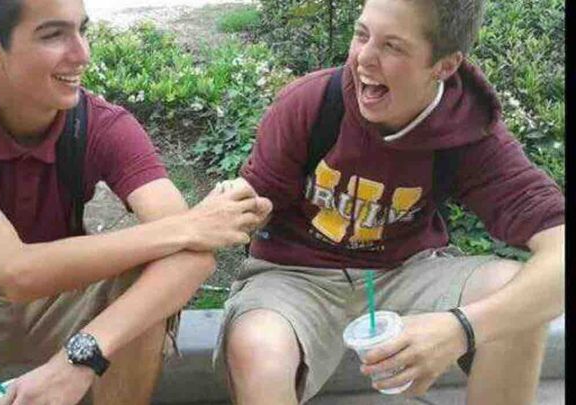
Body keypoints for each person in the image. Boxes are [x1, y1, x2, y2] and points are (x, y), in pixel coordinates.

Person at [0, 0, 272, 404]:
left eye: (82, 30)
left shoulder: (104, 125)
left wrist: (82, 355)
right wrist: (188, 225)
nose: (82, 53)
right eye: (53, 35)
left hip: (68, 296)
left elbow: (193, 257)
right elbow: (14, 271)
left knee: (153, 272)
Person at [212, 0, 564, 404]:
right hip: (294, 276)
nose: (363, 58)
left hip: (405, 270)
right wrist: (236, 208)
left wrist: (460, 328)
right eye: (361, 34)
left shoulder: (469, 131)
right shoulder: (311, 102)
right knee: (258, 349)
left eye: (392, 46)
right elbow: (255, 198)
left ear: (445, 65)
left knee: (517, 297)